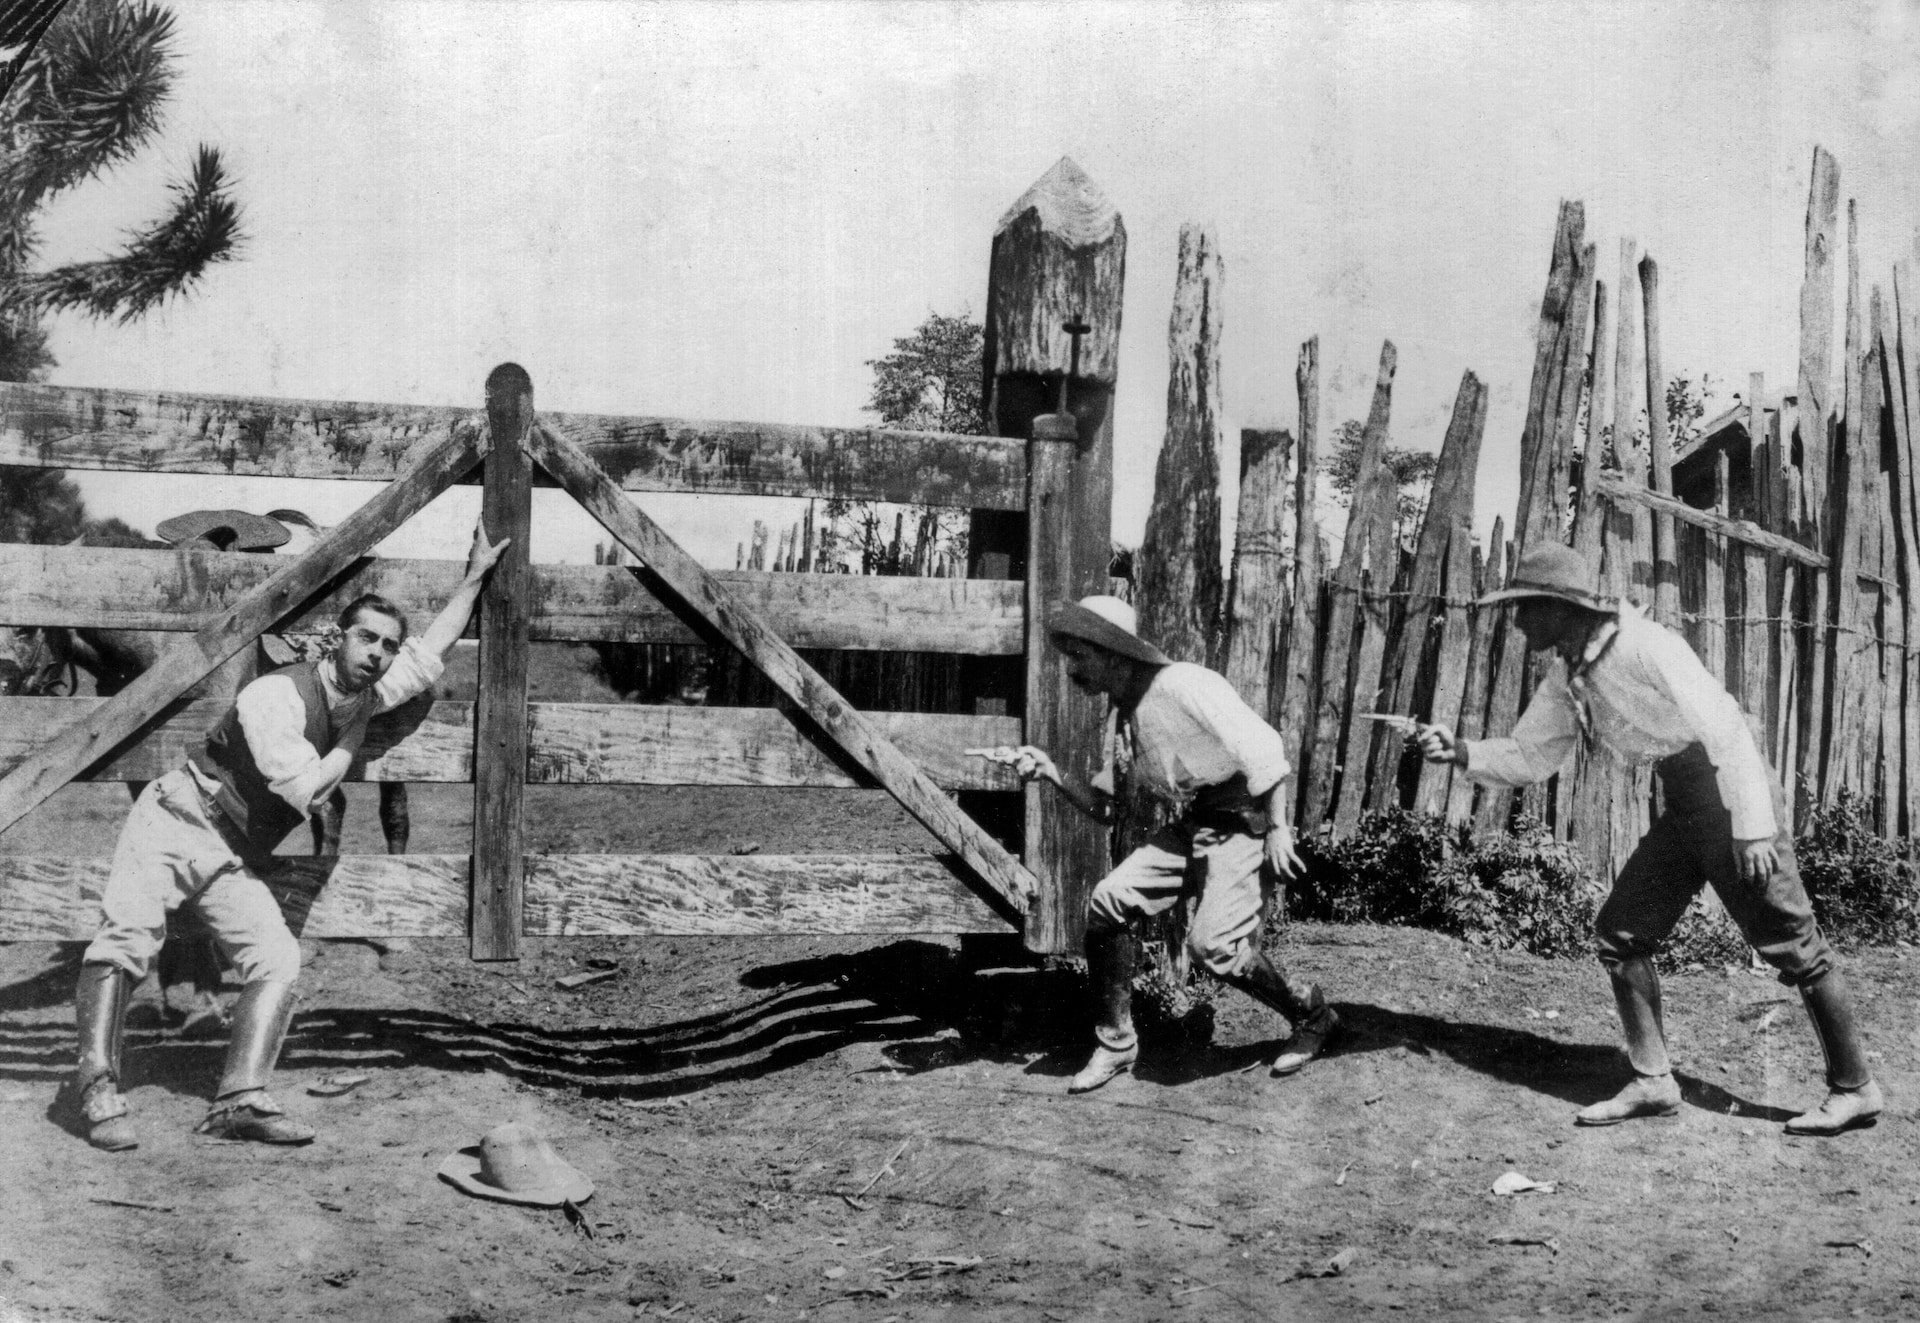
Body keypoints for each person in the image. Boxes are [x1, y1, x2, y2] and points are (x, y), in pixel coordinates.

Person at [57, 519, 509, 1151]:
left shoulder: (364, 693)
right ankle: (93, 1088)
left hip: (227, 850)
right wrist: (350, 745)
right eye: (364, 639)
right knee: (127, 937)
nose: (376, 654)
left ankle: (238, 1099)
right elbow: (306, 791)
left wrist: (473, 578)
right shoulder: (274, 695)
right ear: (336, 640)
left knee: (278, 957)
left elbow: (430, 651)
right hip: (173, 818)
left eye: (385, 645)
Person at [1416, 542, 1882, 1135]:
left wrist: (1753, 827)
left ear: (1561, 606)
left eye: (1526, 608)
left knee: (1792, 943)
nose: (1519, 622)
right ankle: (1653, 1080)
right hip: (1686, 804)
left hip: (1728, 795)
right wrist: (1458, 751)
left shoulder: (1646, 644)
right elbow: (1533, 754)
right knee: (1621, 932)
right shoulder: (1570, 673)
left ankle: (1856, 1088)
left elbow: (1726, 727)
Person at [995, 595, 1336, 1093]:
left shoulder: (1182, 684)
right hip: (1196, 821)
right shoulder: (1122, 715)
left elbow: (1264, 747)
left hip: (1243, 820)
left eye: (1080, 656)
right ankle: (1115, 1043)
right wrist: (1050, 771)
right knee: (1108, 901)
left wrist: (1280, 828)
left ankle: (1313, 1015)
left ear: (1114, 653)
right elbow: (1107, 807)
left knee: (1211, 946)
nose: (1073, 669)